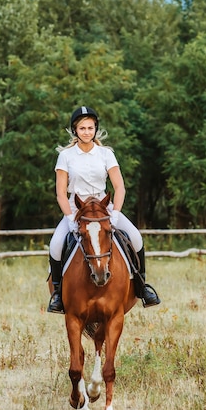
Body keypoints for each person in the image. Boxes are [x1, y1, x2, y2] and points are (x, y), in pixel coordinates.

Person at [47, 105, 161, 313]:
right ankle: (57, 294)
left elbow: (119, 187)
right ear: (75, 131)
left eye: (90, 128)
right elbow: (61, 193)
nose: (87, 132)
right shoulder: (66, 156)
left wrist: (115, 212)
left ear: (95, 129)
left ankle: (142, 287)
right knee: (55, 245)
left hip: (103, 207)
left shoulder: (106, 154)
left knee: (135, 237)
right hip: (76, 208)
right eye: (82, 128)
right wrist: (70, 217)